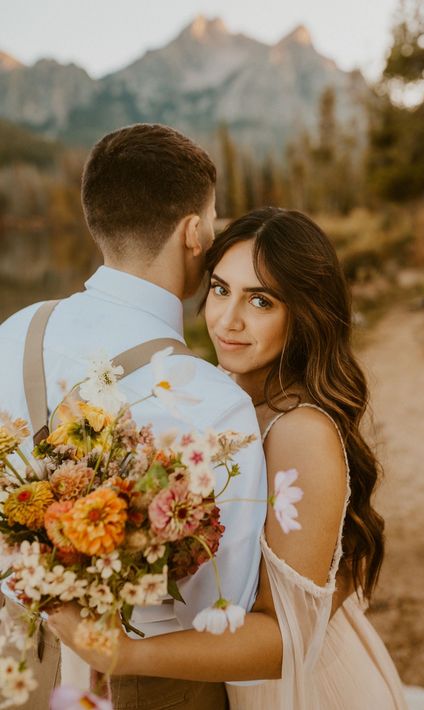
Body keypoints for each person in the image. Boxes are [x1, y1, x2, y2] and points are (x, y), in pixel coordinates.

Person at [49, 208, 408, 709]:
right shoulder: (219, 400)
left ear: (304, 313)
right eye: (220, 289)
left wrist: (121, 654)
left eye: (260, 301)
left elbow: (285, 640)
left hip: (294, 692)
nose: (227, 320)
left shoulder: (300, 430)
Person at [0, 124, 267, 710]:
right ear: (193, 232)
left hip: (17, 673)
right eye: (213, 219)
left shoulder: (13, 332)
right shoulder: (215, 402)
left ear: (97, 219)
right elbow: (226, 608)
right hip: (152, 688)